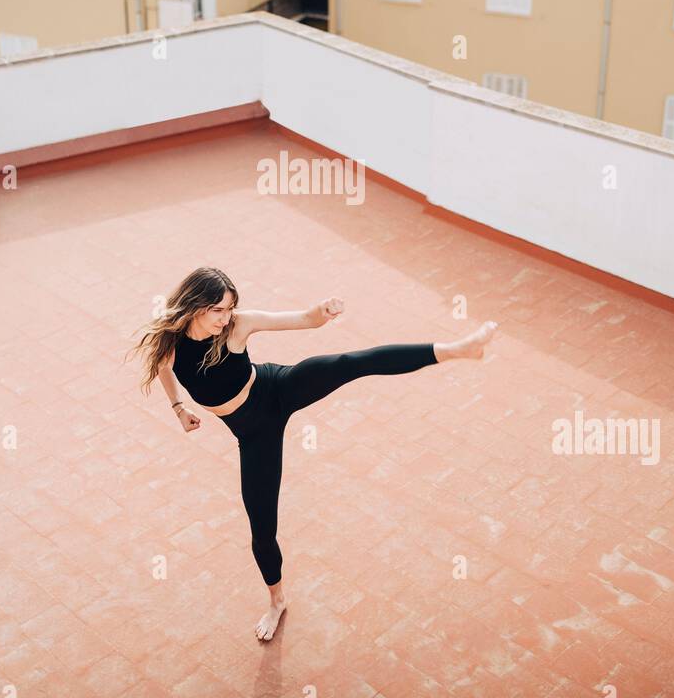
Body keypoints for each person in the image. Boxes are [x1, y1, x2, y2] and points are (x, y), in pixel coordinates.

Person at [130, 266, 497, 641]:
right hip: (255, 435)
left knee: (351, 364)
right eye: (218, 311)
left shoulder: (239, 325)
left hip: (277, 388)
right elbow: (163, 367)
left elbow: (305, 319)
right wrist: (178, 408)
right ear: (195, 306)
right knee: (261, 528)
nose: (225, 319)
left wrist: (320, 313)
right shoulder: (170, 340)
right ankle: (277, 601)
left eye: (229, 309)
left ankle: (456, 349)